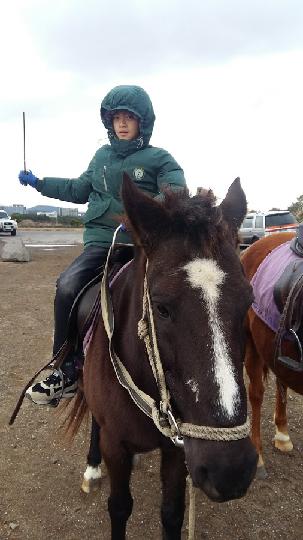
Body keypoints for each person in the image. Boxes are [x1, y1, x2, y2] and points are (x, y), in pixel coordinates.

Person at [18, 84, 187, 406]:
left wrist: (140, 210)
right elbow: (78, 189)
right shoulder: (101, 157)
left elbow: (175, 191)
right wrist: (39, 183)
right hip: (100, 243)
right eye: (116, 118)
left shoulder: (159, 158)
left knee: (182, 295)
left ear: (143, 122)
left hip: (143, 244)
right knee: (67, 285)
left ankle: (181, 366)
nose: (121, 124)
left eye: (129, 118)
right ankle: (64, 371)